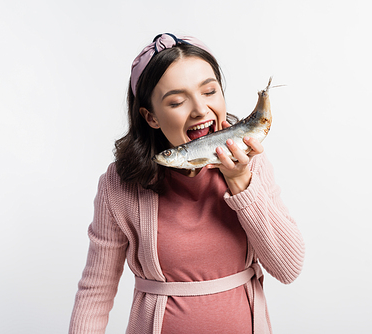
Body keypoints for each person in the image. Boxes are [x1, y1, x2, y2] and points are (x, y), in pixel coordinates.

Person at [69, 33, 305, 334]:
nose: (200, 110)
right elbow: (96, 292)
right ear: (150, 116)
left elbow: (287, 268)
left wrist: (241, 182)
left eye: (209, 92)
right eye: (177, 101)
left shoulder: (251, 163)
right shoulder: (119, 184)